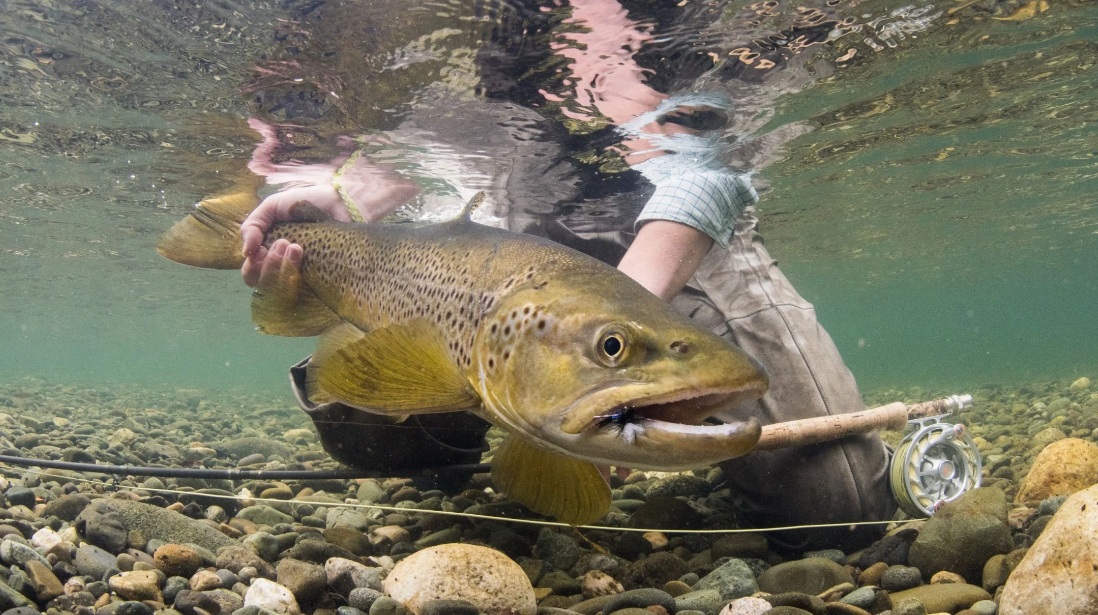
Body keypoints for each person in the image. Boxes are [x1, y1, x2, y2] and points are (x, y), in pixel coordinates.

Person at [238, 0, 895, 550]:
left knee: (839, 505)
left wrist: (612, 352)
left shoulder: (638, 21)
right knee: (367, 429)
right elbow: (456, 130)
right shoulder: (461, 25)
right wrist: (349, 193)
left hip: (685, 239)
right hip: (517, 252)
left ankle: (565, 404)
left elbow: (705, 166)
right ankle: (492, 430)